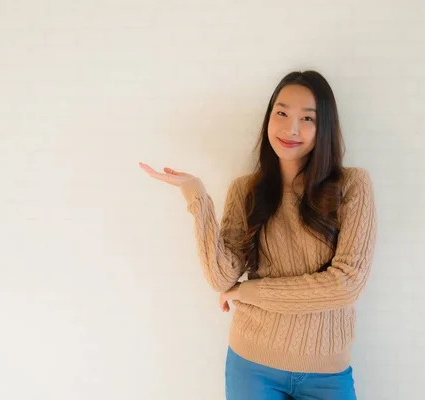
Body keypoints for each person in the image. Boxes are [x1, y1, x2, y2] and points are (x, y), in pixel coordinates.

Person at [139, 70, 377, 400]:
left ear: (323, 128)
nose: (291, 128)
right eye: (281, 113)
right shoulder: (246, 190)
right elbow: (222, 278)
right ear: (269, 117)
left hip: (328, 373)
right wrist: (197, 197)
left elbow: (346, 284)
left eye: (307, 118)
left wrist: (249, 292)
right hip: (252, 364)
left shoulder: (352, 186)